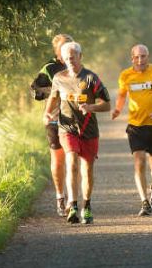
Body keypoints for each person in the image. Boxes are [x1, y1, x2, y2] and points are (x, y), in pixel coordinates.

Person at [44, 42, 111, 224]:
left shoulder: (91, 78)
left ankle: (86, 206)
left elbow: (107, 104)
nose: (70, 61)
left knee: (87, 170)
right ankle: (73, 205)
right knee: (71, 161)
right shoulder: (58, 78)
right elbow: (53, 97)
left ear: (80, 57)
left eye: (73, 58)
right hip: (67, 128)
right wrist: (47, 113)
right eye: (66, 58)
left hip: (89, 130)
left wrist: (91, 107)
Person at [111, 44, 152, 216]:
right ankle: (144, 202)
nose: (140, 60)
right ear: (132, 58)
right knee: (139, 162)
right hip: (136, 127)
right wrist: (117, 109)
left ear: (148, 57)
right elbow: (122, 95)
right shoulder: (125, 75)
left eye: (143, 56)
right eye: (137, 57)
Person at [30, 34, 73, 216]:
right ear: (56, 50)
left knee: (73, 159)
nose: (66, 49)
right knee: (59, 159)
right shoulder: (49, 68)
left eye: (69, 45)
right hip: (55, 119)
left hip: (74, 119)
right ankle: (60, 197)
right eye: (63, 46)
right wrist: (55, 92)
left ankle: (73, 199)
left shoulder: (76, 65)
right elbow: (35, 90)